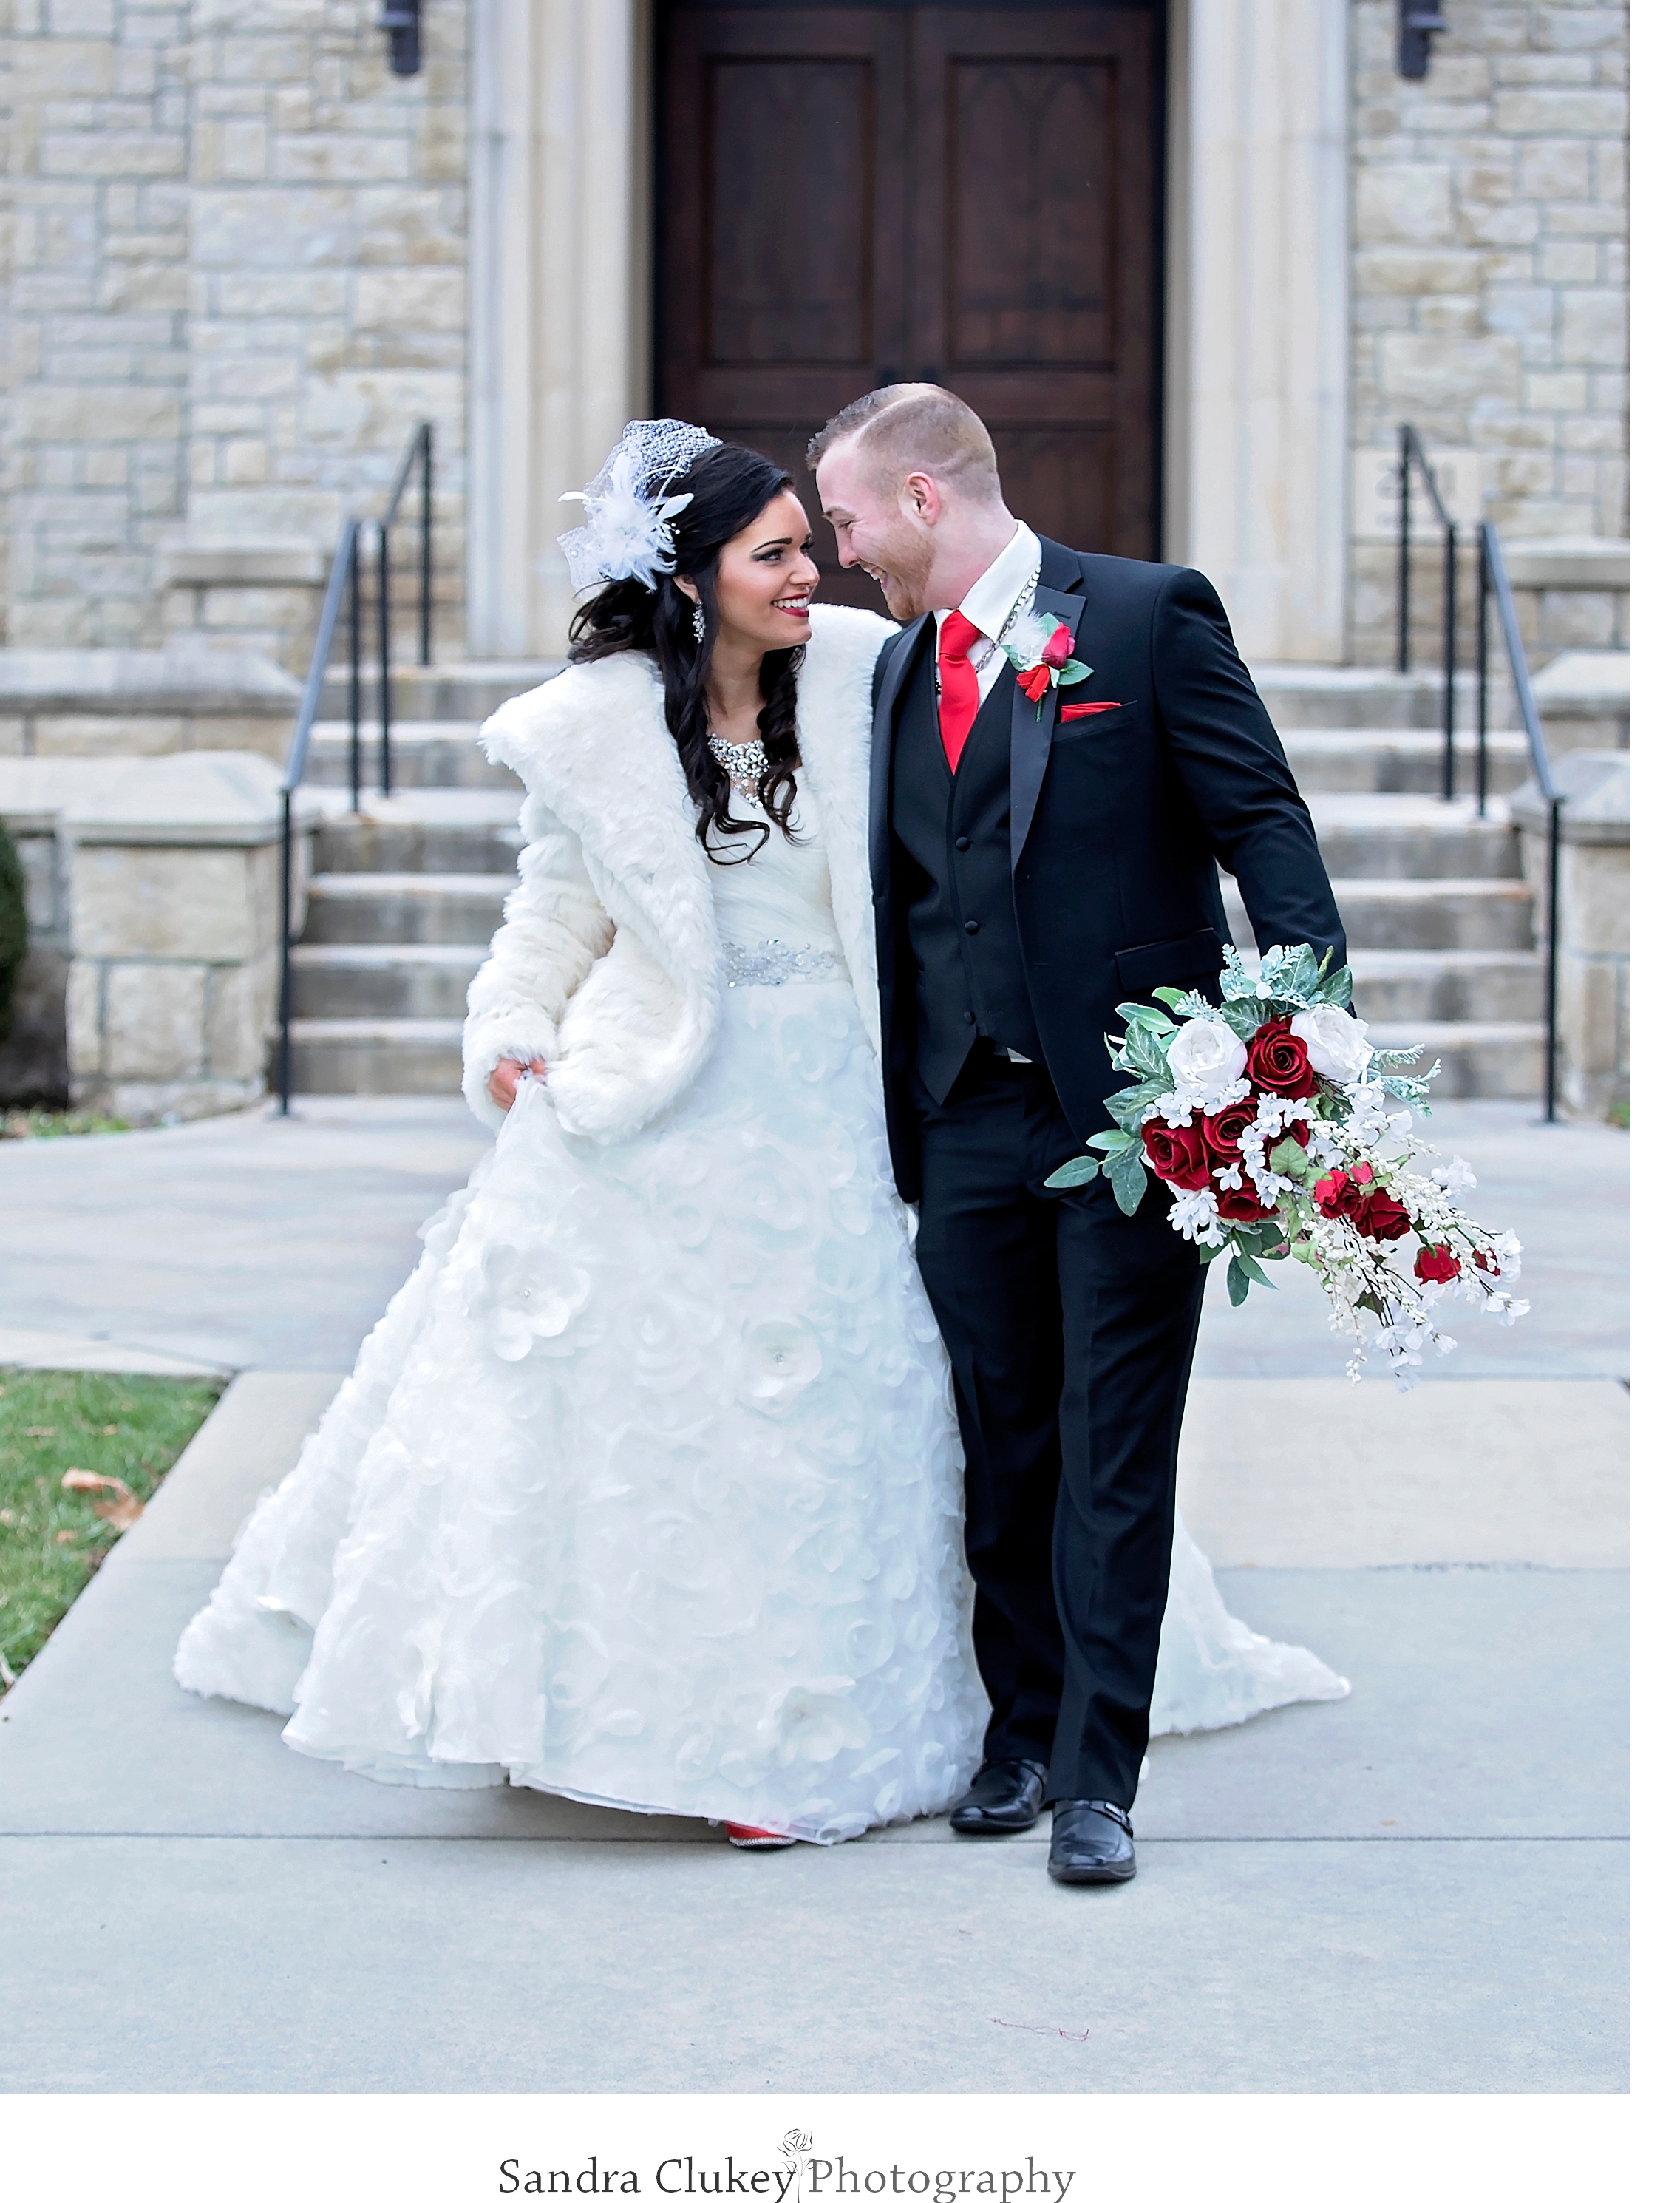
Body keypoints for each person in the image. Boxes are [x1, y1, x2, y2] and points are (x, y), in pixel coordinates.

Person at [175, 418, 1347, 1853]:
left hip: (842, 1110)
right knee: (686, 1433)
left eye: (823, 538)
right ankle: (645, 1714)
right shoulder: (599, 728)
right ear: (694, 579)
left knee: (883, 1427)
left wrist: (1292, 1033)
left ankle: (1018, 1747)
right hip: (670, 1109)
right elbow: (554, 909)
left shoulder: (875, 670)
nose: (819, 572)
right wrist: (509, 1026)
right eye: (780, 551)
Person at [811, 382, 1350, 1886]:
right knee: (1003, 1436)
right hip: (965, 1116)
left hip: (1134, 1117)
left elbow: (1267, 831)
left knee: (1119, 1445)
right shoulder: (894, 671)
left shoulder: (1149, 615)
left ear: (924, 498)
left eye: (851, 518)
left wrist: (1294, 1049)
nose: (846, 553)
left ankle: (1101, 1775)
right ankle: (1023, 1729)